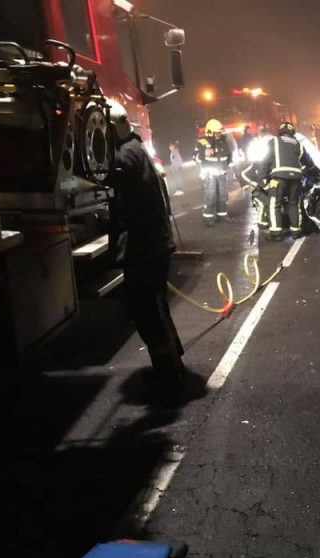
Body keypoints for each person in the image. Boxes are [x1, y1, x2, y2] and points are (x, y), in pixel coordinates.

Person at [107, 100, 185, 391]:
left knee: (148, 309)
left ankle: (169, 373)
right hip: (152, 244)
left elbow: (118, 194)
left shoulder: (125, 156)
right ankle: (171, 362)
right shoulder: (136, 149)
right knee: (154, 306)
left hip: (145, 246)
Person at [260, 121, 316, 240]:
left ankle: (276, 233)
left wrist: (263, 180)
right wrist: (315, 171)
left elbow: (265, 162)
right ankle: (296, 231)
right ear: (292, 133)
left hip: (278, 178)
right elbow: (308, 162)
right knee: (294, 204)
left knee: (274, 204)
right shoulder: (298, 144)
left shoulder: (274, 142)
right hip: (295, 179)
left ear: (280, 132)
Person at [194, 119, 238, 226]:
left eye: (219, 132)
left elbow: (228, 155)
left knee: (223, 195)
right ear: (210, 131)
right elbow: (195, 157)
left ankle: (222, 215)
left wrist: (230, 163)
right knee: (210, 195)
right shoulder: (203, 142)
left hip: (221, 172)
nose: (219, 134)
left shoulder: (223, 141)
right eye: (216, 132)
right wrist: (204, 153)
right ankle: (208, 217)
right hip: (210, 173)